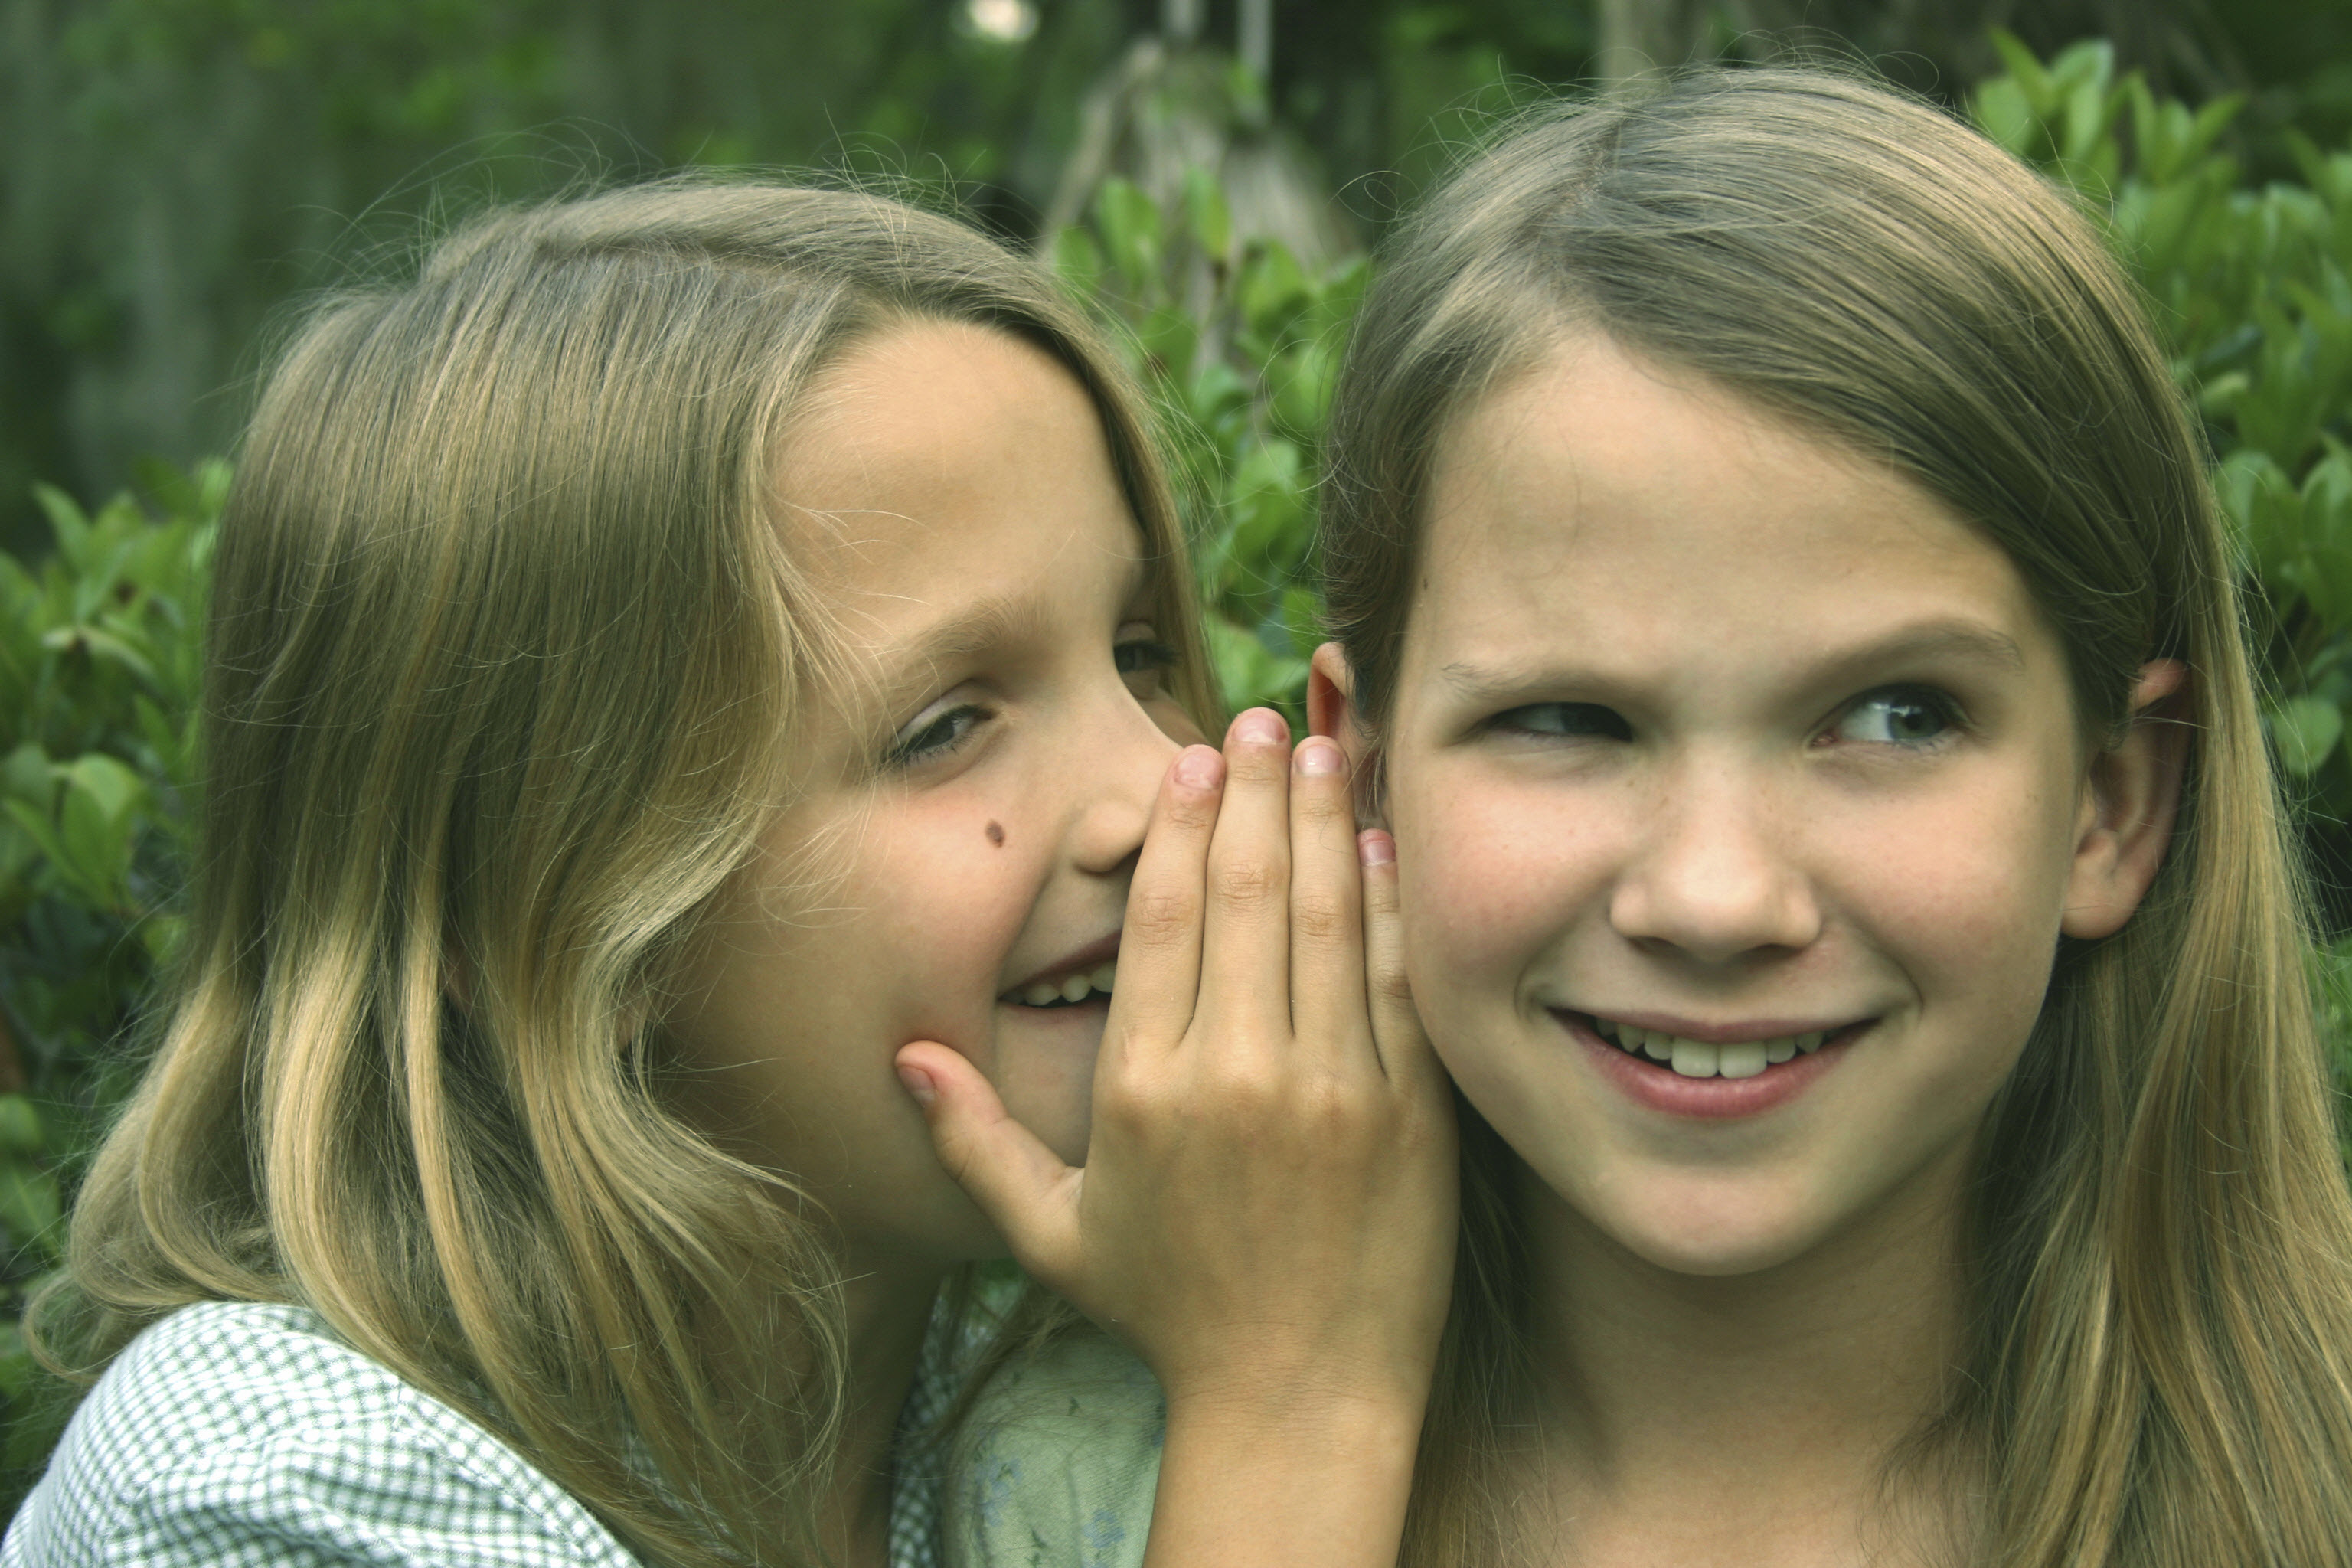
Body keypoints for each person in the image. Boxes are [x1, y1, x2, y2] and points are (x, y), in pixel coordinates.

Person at [945, 67, 2352, 1567]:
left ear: (2110, 805)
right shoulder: (1072, 1497)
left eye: (1895, 714)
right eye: (1565, 719)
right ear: (1363, 779)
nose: (1717, 895)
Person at [3, 181, 1455, 1568]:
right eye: (946, 725)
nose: (1162, 781)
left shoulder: (1020, 1386)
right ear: (553, 919)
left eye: (1140, 651)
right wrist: (1291, 1394)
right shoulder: (265, 1483)